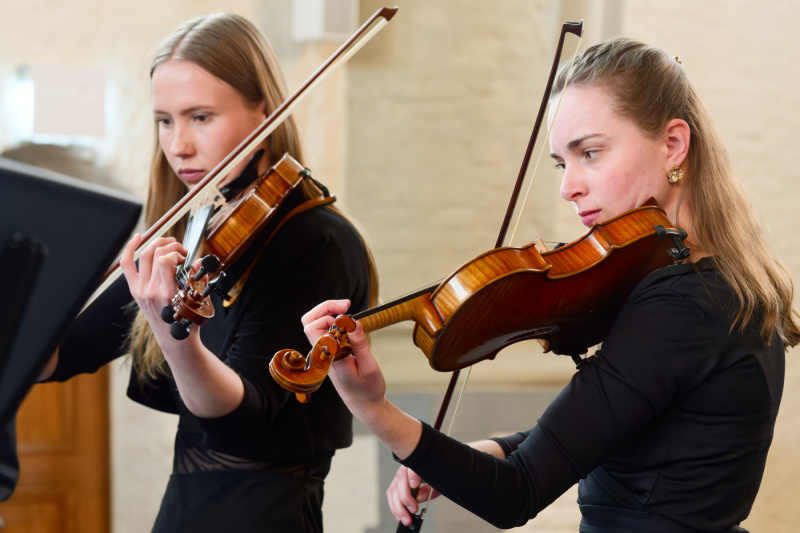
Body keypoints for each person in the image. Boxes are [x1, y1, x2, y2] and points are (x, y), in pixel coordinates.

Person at [301, 38, 800, 532]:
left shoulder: (683, 305)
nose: (568, 187)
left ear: (673, 144)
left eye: (591, 153)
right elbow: (605, 432)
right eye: (563, 163)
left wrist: (374, 409)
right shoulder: (716, 284)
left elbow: (515, 494)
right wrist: (487, 451)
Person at [39, 12, 377, 533]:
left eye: (200, 117)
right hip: (185, 508)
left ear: (264, 111)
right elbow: (66, 352)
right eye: (165, 120)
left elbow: (245, 411)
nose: (178, 145)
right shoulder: (197, 233)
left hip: (266, 516)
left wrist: (173, 336)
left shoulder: (314, 240)